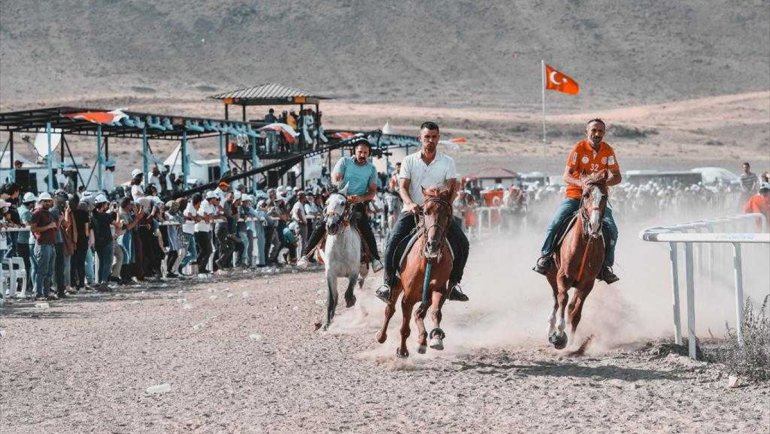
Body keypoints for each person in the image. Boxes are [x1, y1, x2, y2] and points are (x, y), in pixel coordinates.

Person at [374, 122, 470, 303]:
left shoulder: (447, 162)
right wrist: (409, 203)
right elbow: (403, 187)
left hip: (439, 215)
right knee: (392, 241)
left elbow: (452, 189)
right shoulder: (409, 161)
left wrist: (446, 209)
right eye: (427, 137)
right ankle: (387, 284)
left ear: (438, 138)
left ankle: (454, 284)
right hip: (413, 211)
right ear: (421, 138)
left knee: (463, 243)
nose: (430, 140)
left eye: (434, 137)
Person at [533, 118, 622, 284]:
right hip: (575, 196)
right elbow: (566, 175)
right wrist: (583, 184)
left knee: (612, 229)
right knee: (556, 222)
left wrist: (600, 184)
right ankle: (545, 257)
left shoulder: (608, 151)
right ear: (586, 132)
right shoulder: (578, 149)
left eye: (600, 131)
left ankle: (606, 267)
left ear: (604, 133)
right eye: (594, 130)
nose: (597, 134)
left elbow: (617, 177)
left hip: (596, 200)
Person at [298, 139, 384, 272]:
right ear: (355, 151)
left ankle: (375, 259)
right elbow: (336, 178)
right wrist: (340, 191)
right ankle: (306, 255)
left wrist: (360, 197)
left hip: (357, 202)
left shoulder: (371, 169)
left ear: (369, 154)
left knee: (365, 227)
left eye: (365, 152)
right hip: (339, 198)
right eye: (360, 152)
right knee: (322, 223)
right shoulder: (344, 161)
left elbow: (372, 192)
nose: (362, 155)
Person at [30, 192, 58, 300]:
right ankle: (38, 293)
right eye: (45, 201)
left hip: (51, 245)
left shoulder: (49, 213)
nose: (47, 202)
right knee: (42, 270)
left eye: (49, 201)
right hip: (42, 244)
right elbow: (33, 229)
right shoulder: (37, 213)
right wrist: (48, 226)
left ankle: (46, 293)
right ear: (40, 201)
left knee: (50, 271)